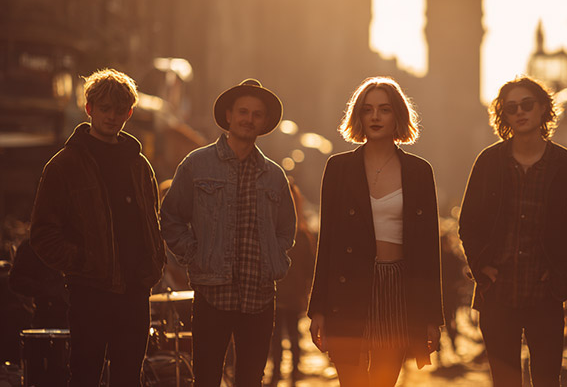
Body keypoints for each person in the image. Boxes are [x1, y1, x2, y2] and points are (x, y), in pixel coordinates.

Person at [29, 68, 166, 385]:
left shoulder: (139, 164)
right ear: (89, 108)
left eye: (120, 111)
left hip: (135, 292)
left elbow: (151, 221)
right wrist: (83, 263)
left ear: (129, 113)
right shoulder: (64, 165)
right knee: (85, 376)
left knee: (129, 378)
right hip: (90, 294)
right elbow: (42, 234)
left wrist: (154, 264)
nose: (112, 117)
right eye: (105, 109)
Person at [308, 76, 444, 387]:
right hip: (348, 286)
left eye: (384, 110)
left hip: (398, 288)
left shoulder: (420, 172)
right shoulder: (338, 168)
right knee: (351, 381)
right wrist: (319, 308)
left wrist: (431, 317)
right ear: (358, 116)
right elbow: (326, 242)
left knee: (383, 382)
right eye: (367, 109)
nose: (375, 117)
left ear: (398, 115)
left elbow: (427, 250)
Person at [160, 79, 296, 387]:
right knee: (206, 379)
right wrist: (194, 255)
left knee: (250, 380)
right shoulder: (197, 164)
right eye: (243, 112)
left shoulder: (274, 176)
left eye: (257, 114)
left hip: (259, 298)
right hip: (212, 295)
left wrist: (275, 262)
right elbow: (170, 218)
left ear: (264, 122)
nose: (249, 119)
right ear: (229, 115)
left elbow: (286, 231)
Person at [458, 76, 567, 386]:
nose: (520, 112)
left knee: (546, 379)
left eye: (527, 104)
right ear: (504, 116)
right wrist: (481, 268)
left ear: (543, 109)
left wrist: (561, 272)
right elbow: (468, 223)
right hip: (497, 292)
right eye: (511, 107)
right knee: (505, 381)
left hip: (546, 294)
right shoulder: (489, 162)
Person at [266, 179, 316, 386]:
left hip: (286, 293)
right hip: (283, 293)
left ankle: (285, 373)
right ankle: (287, 372)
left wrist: (306, 291)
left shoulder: (296, 234)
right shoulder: (300, 234)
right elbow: (310, 268)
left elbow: (309, 268)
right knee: (284, 335)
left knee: (285, 335)